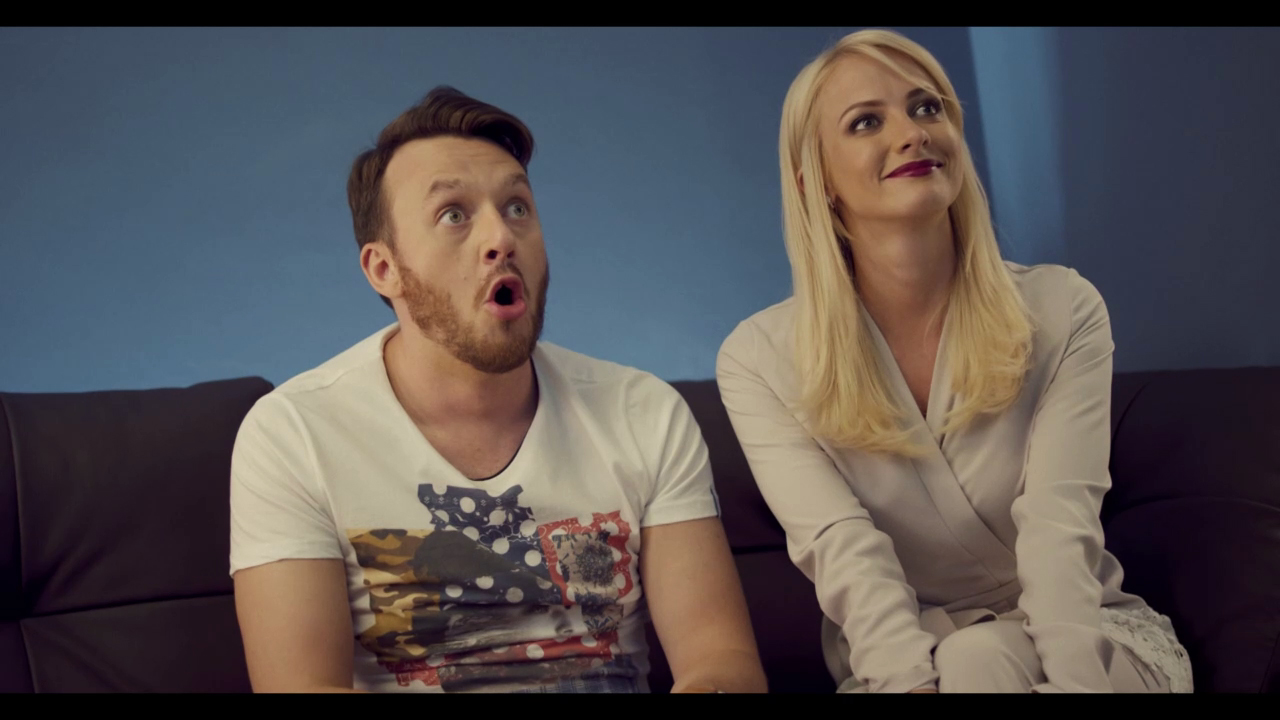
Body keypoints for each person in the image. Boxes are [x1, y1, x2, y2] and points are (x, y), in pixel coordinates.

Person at [230, 86, 767, 694]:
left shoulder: (644, 412)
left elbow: (720, 660)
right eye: (453, 214)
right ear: (385, 269)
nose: (502, 237)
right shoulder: (292, 435)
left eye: (517, 207)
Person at [715, 29, 1192, 694]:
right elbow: (844, 552)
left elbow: (1059, 529)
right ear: (816, 181)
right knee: (971, 658)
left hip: (1089, 641)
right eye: (866, 121)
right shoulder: (758, 360)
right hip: (904, 660)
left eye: (926, 107)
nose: (912, 134)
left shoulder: (1063, 307)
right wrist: (910, 684)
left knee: (980, 658)